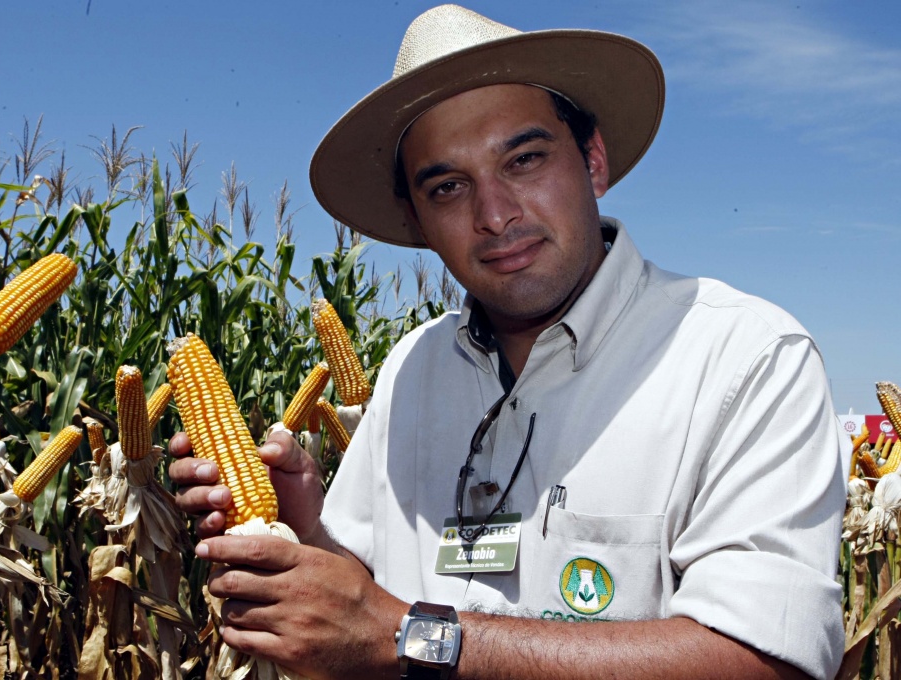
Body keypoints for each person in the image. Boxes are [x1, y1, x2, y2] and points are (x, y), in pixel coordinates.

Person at [169, 5, 847, 679]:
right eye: (448, 186)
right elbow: (360, 609)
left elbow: (763, 660)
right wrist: (303, 532)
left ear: (594, 160)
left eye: (523, 160)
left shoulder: (747, 359)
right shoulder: (413, 367)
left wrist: (412, 637)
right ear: (416, 219)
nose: (494, 215)